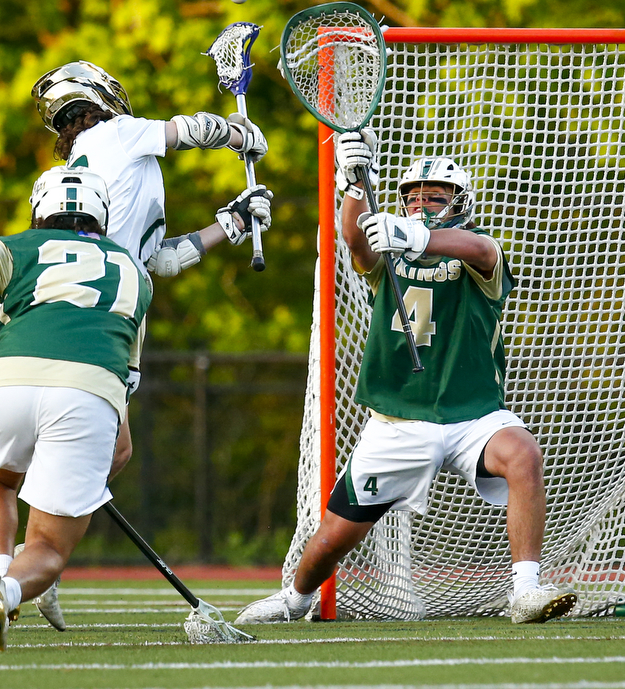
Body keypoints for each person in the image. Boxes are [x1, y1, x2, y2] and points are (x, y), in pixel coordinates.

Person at [234, 130, 577, 625]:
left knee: (523, 453)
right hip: (398, 420)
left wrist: (420, 237)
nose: (420, 205)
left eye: (434, 197)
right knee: (335, 535)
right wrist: (356, 182)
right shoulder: (388, 259)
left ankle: (525, 590)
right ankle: (296, 600)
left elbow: (478, 251)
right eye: (412, 198)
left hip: (473, 414)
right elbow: (354, 239)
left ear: (461, 203)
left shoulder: (480, 251)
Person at [0, 167, 150, 651]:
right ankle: (3, 593)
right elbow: (126, 379)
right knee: (47, 548)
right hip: (90, 392)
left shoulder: (21, 246)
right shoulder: (135, 272)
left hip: (10, 379)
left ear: (39, 209)